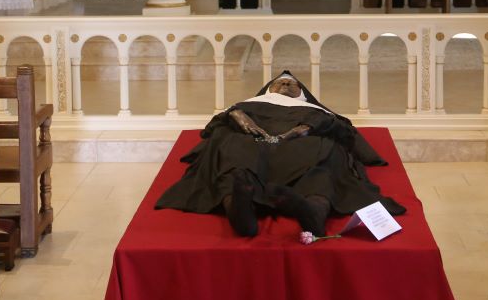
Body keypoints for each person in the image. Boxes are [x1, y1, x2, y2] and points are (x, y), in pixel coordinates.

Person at [156, 71, 405, 237]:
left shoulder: (313, 109)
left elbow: (344, 132)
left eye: (291, 84)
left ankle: (312, 212)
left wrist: (307, 127)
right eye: (280, 82)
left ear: (302, 92)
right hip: (252, 141)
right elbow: (213, 128)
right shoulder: (247, 105)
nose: (286, 84)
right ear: (268, 89)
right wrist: (236, 115)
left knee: (323, 151)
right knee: (232, 148)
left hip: (304, 142)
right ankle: (240, 210)